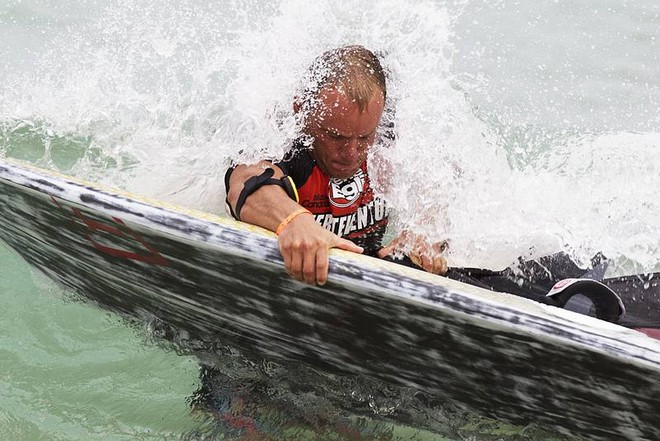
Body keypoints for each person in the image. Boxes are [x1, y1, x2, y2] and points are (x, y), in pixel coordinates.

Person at [225, 45, 448, 286]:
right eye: (335, 136)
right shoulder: (287, 143)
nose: (351, 154)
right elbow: (244, 179)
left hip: (373, 264)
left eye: (364, 137)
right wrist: (294, 220)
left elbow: (439, 184)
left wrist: (425, 232)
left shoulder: (389, 144)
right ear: (303, 110)